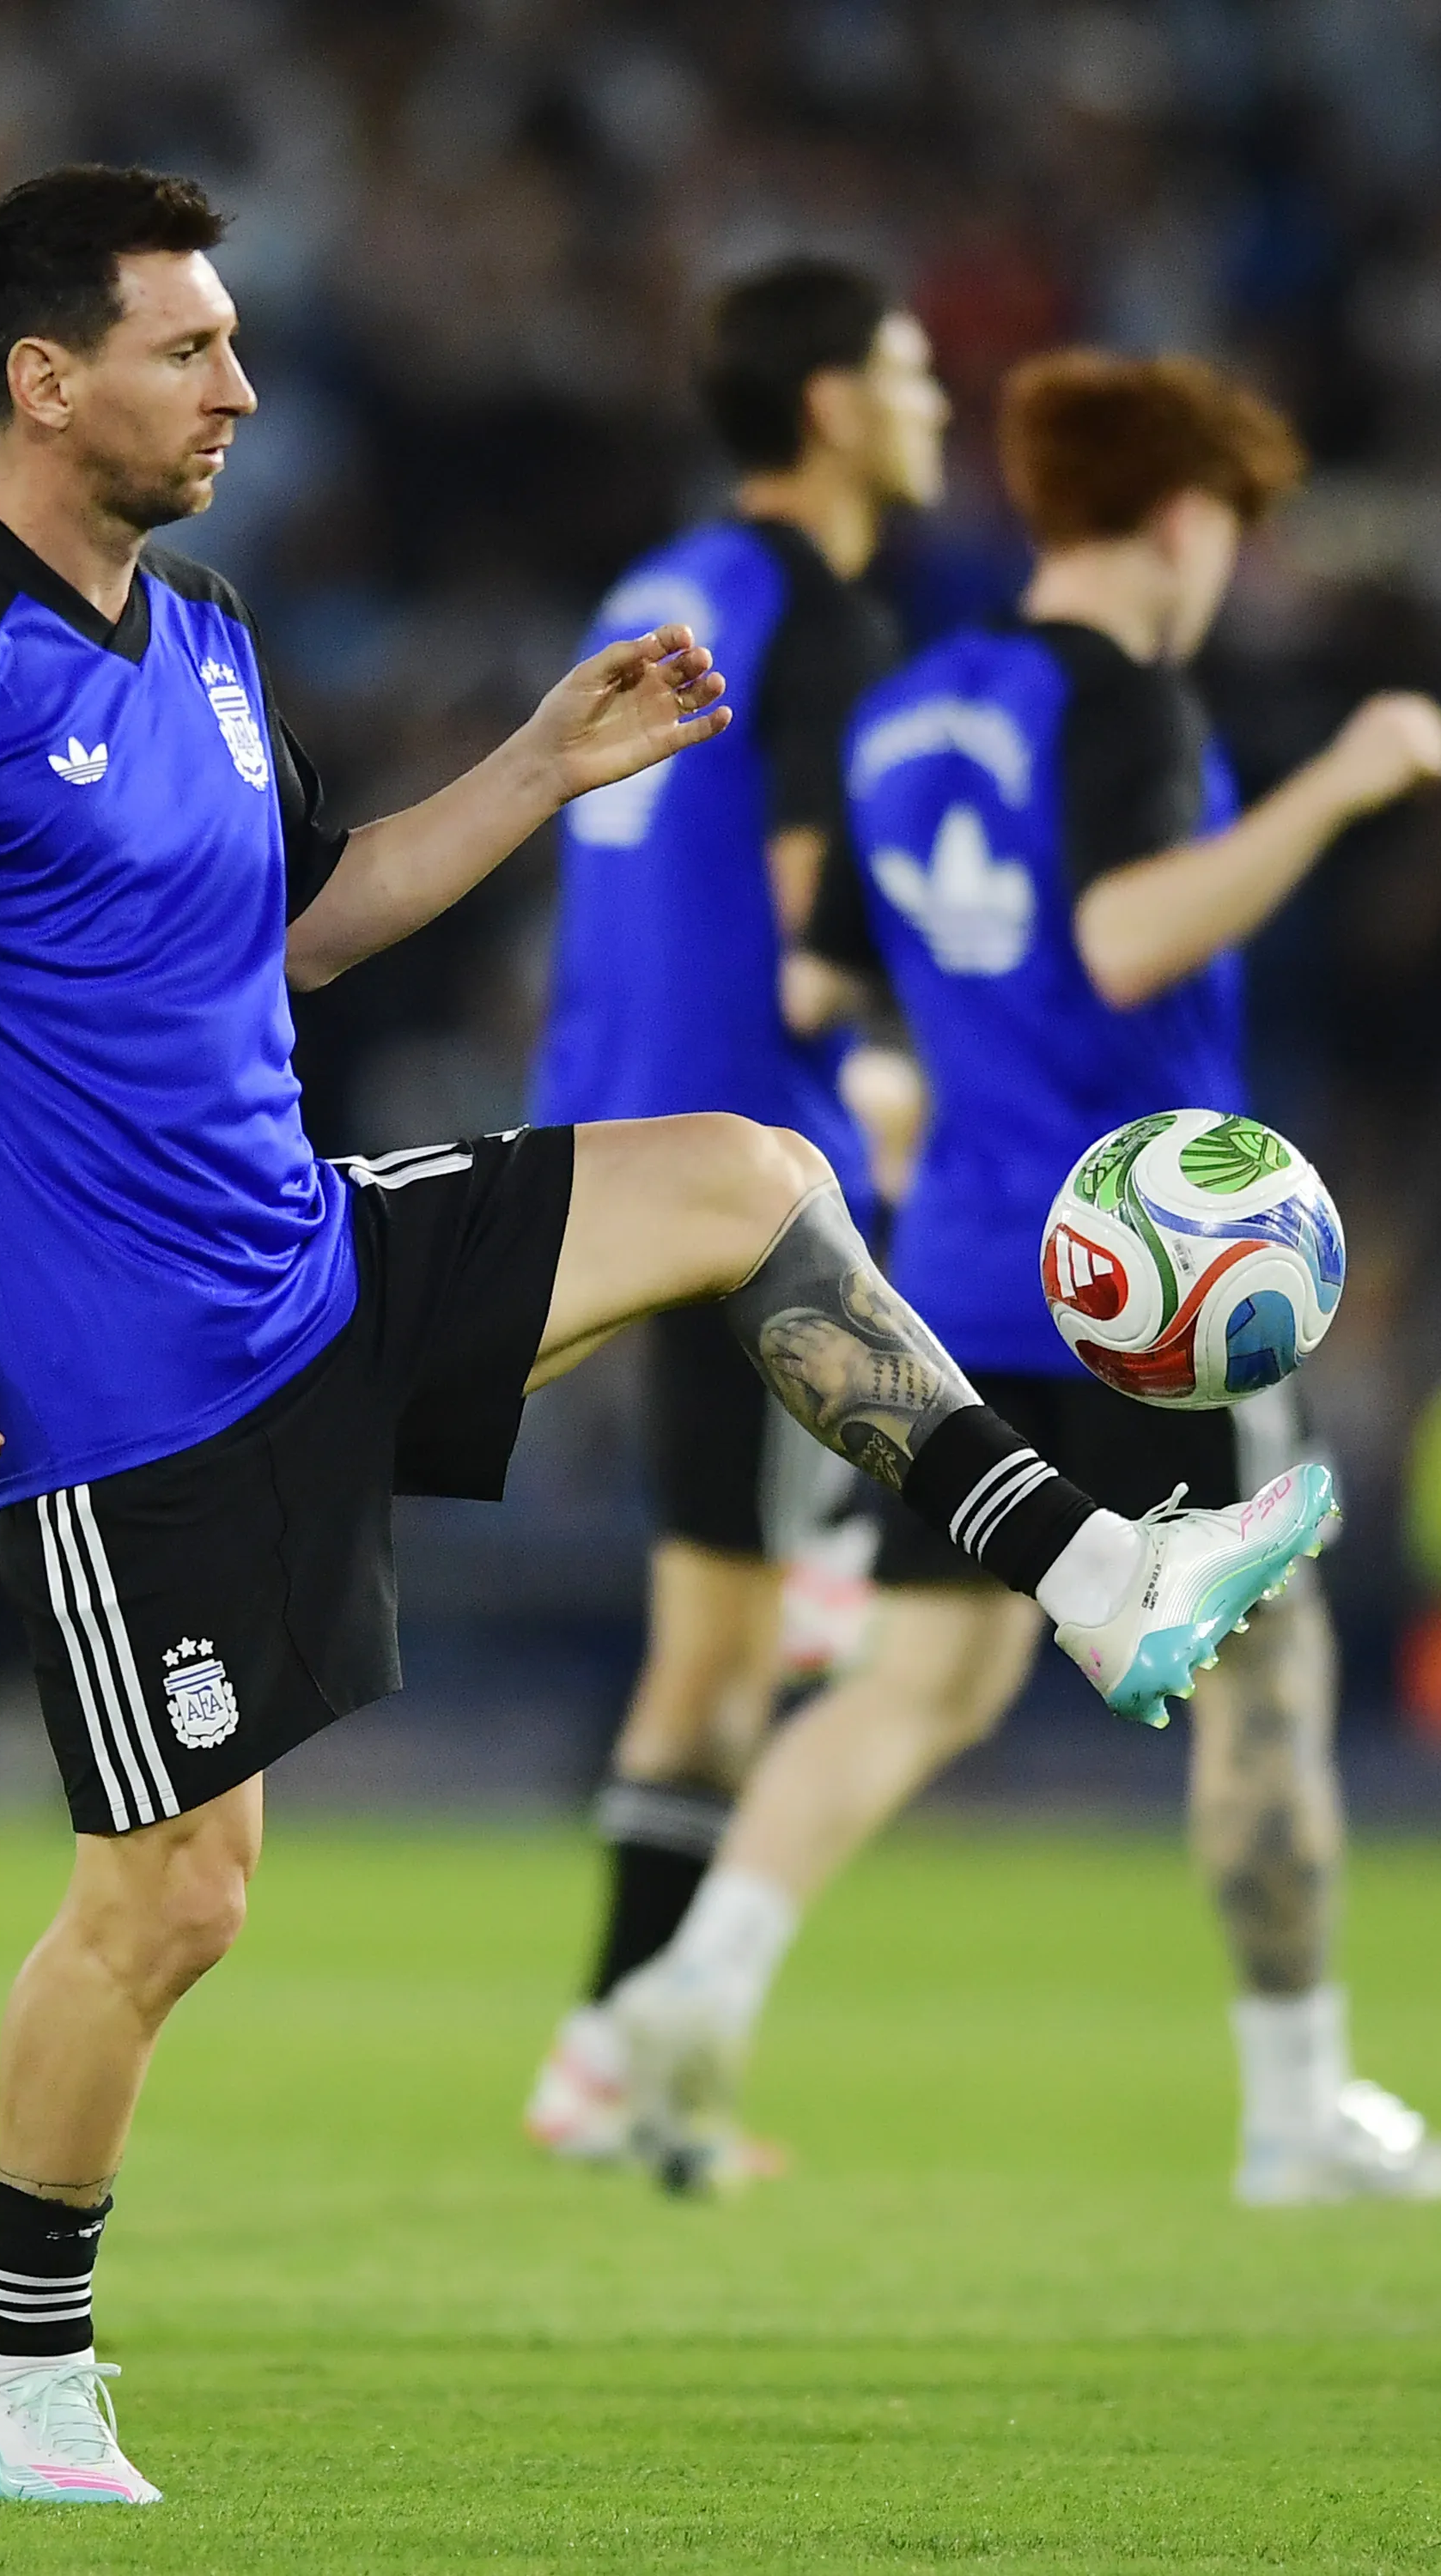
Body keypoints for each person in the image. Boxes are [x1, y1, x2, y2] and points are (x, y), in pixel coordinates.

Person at [0, 179, 1334, 2509]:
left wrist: (539, 768)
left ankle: (1097, 1575)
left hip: (307, 1259)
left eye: (233, 341)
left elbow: (309, 925)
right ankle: (18, 2373)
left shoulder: (207, 635)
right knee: (174, 1904)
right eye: (186, 349)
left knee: (748, 1178)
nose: (239, 388)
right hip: (119, 1391)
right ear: (44, 382)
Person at [607, 349, 1441, 2208]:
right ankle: (1296, 2111)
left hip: (957, 1267)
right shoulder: (1125, 703)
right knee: (1266, 1674)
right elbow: (1123, 938)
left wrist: (936, 1105)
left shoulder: (908, 709)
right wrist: (1338, 785)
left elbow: (825, 988)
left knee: (921, 1675)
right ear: (1182, 515)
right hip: (1155, 1282)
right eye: (1230, 531)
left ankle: (693, 1981)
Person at [522, 260, 944, 2172]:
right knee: (791, 1634)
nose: (934, 406)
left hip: (597, 1139)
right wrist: (921, 1066)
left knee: (704, 1650)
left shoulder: (657, 584)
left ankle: (600, 2065)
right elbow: (805, 952)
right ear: (832, 405)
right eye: (910, 373)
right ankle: (619, 2055)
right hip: (741, 1177)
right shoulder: (825, 619)